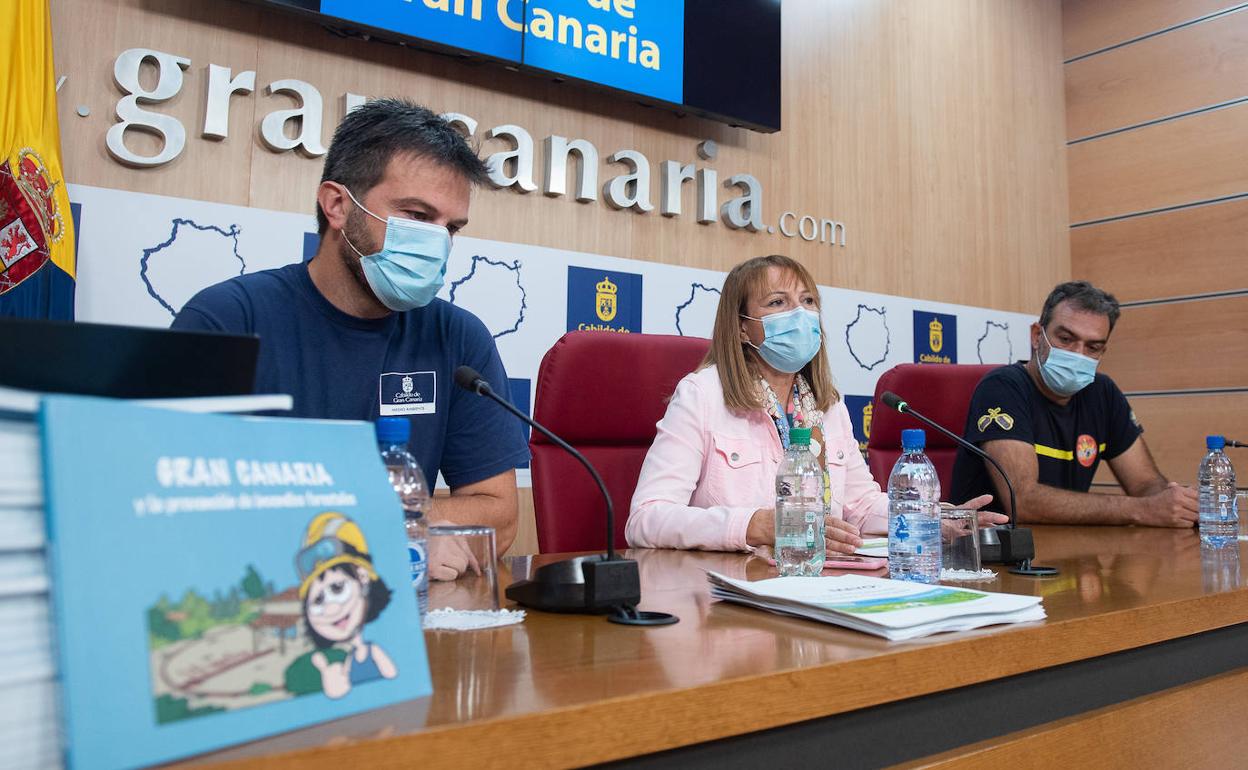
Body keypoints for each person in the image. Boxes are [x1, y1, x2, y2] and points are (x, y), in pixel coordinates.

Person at [173, 99, 529, 555]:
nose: (436, 243)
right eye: (417, 217)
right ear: (338, 205)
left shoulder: (457, 337)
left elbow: (497, 519)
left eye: (451, 228)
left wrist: (398, 526)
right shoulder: (226, 320)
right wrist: (396, 527)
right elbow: (178, 509)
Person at [627, 254, 1004, 555]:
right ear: (742, 327)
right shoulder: (702, 394)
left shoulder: (828, 405)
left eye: (807, 301)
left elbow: (859, 504)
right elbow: (646, 519)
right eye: (778, 302)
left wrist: (924, 517)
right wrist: (757, 525)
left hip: (824, 578)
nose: (800, 313)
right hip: (734, 591)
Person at [951, 281, 1198, 527]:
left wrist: (1175, 503)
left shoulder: (1103, 392)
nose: (1078, 354)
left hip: (1067, 551)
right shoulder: (1002, 387)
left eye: (1093, 347)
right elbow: (1024, 501)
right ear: (1038, 336)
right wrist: (1142, 509)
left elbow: (1145, 483)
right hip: (993, 556)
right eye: (1067, 339)